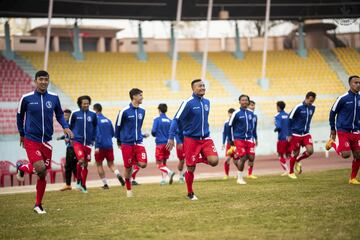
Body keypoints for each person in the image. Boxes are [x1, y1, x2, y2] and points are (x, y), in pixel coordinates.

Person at [16, 70, 73, 214]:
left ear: (48, 81)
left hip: (46, 142)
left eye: (46, 79)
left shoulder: (54, 97)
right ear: (36, 81)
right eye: (41, 79)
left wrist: (65, 127)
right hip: (31, 139)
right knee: (40, 169)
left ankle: (38, 204)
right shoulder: (26, 98)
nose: (43, 82)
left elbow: (59, 114)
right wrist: (22, 134)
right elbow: (19, 116)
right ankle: (23, 167)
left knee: (42, 174)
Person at [167, 79, 219, 200]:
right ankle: (190, 193)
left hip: (206, 138)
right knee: (191, 168)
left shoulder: (207, 102)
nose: (203, 88)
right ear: (193, 88)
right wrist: (171, 137)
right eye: (200, 86)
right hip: (191, 139)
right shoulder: (187, 103)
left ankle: (195, 159)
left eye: (204, 85)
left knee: (214, 161)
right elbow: (175, 120)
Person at [326, 75, 360, 184]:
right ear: (350, 84)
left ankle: (352, 178)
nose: (358, 85)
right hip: (343, 130)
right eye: (355, 82)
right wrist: (333, 129)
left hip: (356, 131)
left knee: (358, 155)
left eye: (359, 83)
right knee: (346, 155)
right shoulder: (342, 98)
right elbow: (332, 113)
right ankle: (333, 144)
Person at [115, 88, 147, 197]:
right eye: (140, 96)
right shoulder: (124, 111)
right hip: (126, 143)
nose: (142, 97)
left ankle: (132, 160)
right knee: (128, 168)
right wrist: (119, 141)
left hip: (139, 142)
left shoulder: (143, 111)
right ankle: (129, 190)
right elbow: (117, 127)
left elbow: (139, 126)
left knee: (143, 164)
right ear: (134, 97)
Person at [93, 103, 125, 189]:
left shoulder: (95, 120)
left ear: (95, 110)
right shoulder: (108, 120)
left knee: (99, 165)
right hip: (109, 145)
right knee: (111, 164)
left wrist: (97, 146)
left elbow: (96, 134)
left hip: (99, 146)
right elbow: (112, 134)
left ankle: (105, 184)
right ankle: (118, 174)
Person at [69, 95, 97, 193]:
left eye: (87, 103)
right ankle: (78, 181)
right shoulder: (75, 113)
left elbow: (95, 127)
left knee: (85, 164)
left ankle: (83, 185)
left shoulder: (93, 114)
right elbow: (69, 126)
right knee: (80, 160)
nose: (86, 105)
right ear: (80, 104)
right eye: (84, 103)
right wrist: (70, 137)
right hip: (77, 141)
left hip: (88, 143)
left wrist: (94, 139)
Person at [227, 94, 255, 185]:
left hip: (249, 139)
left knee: (251, 157)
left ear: (248, 101)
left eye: (246, 100)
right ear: (239, 102)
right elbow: (230, 126)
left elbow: (252, 127)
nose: (244, 102)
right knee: (243, 157)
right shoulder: (236, 113)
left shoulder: (251, 113)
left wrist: (253, 137)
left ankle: (236, 157)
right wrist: (231, 140)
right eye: (242, 100)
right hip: (239, 138)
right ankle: (240, 178)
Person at [288, 91, 316, 179]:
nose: (311, 103)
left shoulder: (313, 108)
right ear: (306, 98)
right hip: (296, 134)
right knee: (295, 153)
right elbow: (289, 119)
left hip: (306, 134)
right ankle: (291, 172)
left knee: (310, 151)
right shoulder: (298, 107)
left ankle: (298, 160)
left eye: (313, 101)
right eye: (310, 101)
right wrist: (289, 133)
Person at [151, 103, 175, 185]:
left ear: (159, 110)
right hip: (168, 144)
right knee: (164, 163)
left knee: (158, 164)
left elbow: (153, 131)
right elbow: (173, 132)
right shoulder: (170, 121)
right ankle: (163, 180)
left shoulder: (157, 120)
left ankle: (169, 172)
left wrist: (156, 134)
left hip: (160, 144)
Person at [58, 109, 78, 191]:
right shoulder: (65, 125)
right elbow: (67, 135)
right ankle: (70, 184)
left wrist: (70, 140)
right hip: (69, 147)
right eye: (64, 115)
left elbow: (75, 135)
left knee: (71, 166)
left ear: (70, 117)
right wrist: (62, 137)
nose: (64, 117)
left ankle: (78, 183)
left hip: (73, 147)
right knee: (71, 166)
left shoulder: (72, 125)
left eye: (66, 115)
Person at [274, 101, 290, 176]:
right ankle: (294, 167)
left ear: (278, 107)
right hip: (289, 138)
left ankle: (287, 170)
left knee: (280, 155)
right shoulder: (288, 115)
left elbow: (279, 126)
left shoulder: (277, 116)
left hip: (282, 138)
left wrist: (276, 129)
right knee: (288, 154)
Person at [222, 108, 235, 180]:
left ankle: (239, 174)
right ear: (228, 114)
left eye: (232, 113)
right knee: (227, 159)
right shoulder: (226, 123)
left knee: (237, 160)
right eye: (230, 113)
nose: (231, 115)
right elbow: (224, 133)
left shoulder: (237, 122)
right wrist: (223, 143)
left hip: (236, 144)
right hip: (229, 144)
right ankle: (226, 175)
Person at [247, 100, 258, 179]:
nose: (252, 107)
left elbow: (254, 129)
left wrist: (256, 138)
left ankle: (250, 173)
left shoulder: (255, 116)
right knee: (241, 157)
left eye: (253, 105)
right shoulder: (245, 114)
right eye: (251, 105)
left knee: (252, 156)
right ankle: (239, 173)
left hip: (251, 138)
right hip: (242, 139)